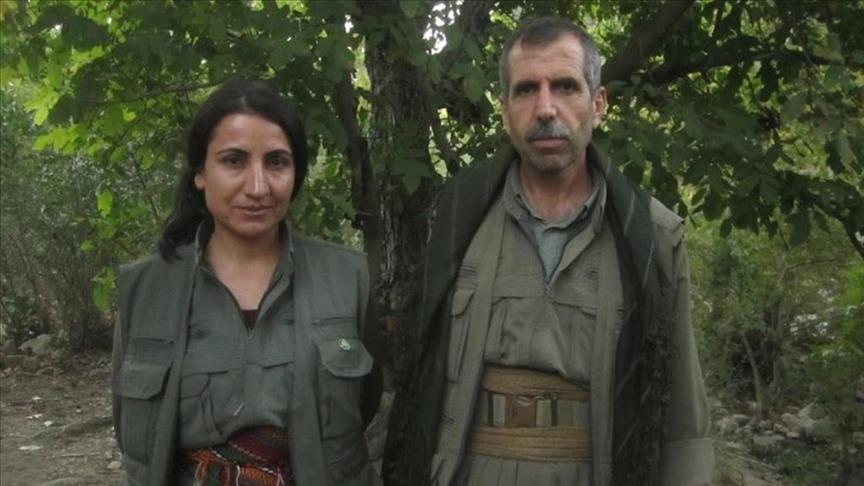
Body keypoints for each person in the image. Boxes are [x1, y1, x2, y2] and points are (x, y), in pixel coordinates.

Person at [382, 17, 714, 486]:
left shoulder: (651, 237)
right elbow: (416, 388)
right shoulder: (457, 221)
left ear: (597, 105)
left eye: (564, 86)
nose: (545, 108)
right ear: (505, 111)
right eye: (525, 90)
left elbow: (683, 414)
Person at [111, 79, 382, 486]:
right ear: (200, 172)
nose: (257, 187)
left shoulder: (347, 278)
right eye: (233, 161)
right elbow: (130, 428)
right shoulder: (146, 289)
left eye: (276, 162)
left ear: (296, 174)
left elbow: (368, 403)